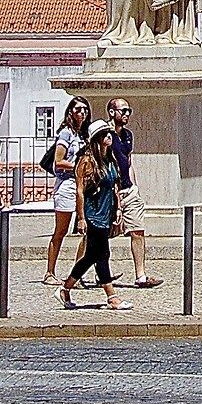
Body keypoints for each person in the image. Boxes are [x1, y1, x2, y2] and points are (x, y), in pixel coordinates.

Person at [61, 120, 131, 309]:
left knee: (91, 256)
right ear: (96, 139)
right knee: (102, 254)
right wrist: (81, 217)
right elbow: (79, 190)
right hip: (92, 214)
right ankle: (112, 297)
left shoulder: (110, 160)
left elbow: (115, 185)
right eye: (104, 134)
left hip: (106, 212)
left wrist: (117, 209)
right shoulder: (86, 161)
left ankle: (66, 288)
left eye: (109, 134)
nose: (109, 137)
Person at [106, 99, 158, 286]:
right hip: (109, 191)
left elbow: (128, 162)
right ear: (112, 112)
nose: (127, 114)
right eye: (124, 110)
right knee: (97, 236)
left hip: (129, 190)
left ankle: (141, 276)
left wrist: (134, 188)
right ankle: (80, 273)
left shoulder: (127, 135)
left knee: (137, 231)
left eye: (129, 110)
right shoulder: (105, 136)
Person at [43, 95, 93, 280]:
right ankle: (50, 271)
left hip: (83, 184)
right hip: (67, 183)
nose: (82, 112)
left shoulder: (85, 134)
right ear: (71, 111)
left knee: (88, 228)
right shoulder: (66, 133)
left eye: (84, 109)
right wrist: (80, 166)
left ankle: (76, 273)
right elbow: (58, 161)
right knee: (61, 230)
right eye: (78, 109)